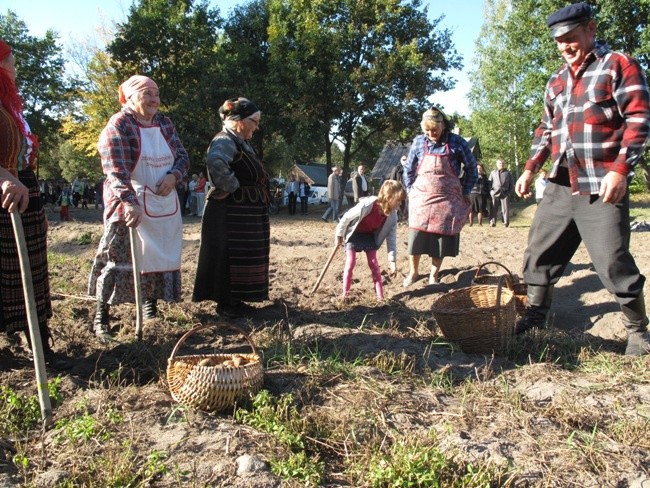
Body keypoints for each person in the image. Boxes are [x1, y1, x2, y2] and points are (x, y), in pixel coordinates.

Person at [514, 2, 650, 356]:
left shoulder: (619, 65)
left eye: (571, 38)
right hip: (560, 182)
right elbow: (545, 128)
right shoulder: (557, 80)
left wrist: (621, 170)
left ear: (590, 29)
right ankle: (535, 316)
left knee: (611, 260)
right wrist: (530, 167)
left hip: (601, 181)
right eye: (559, 41)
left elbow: (638, 119)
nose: (565, 46)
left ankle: (638, 332)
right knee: (538, 253)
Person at [88, 75, 189, 342]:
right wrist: (130, 202)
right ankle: (101, 317)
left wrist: (173, 176)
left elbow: (182, 156)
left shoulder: (164, 123)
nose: (154, 99)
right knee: (117, 258)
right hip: (126, 204)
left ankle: (150, 308)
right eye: (147, 93)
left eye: (156, 93)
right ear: (130, 97)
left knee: (155, 256)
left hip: (161, 201)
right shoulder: (119, 125)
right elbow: (115, 170)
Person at [0, 39, 65, 366]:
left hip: (24, 191)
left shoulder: (10, 106)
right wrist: (2, 175)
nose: (15, 67)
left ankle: (38, 343)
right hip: (5, 192)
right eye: (10, 61)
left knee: (33, 270)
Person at [193, 97, 270, 317]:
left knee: (242, 254)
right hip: (229, 213)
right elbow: (216, 162)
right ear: (240, 120)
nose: (256, 127)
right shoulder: (224, 140)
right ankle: (226, 303)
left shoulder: (240, 141)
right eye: (254, 121)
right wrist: (233, 186)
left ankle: (235, 300)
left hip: (244, 211)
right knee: (229, 255)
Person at [402, 107, 477, 287]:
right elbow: (409, 169)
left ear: (443, 125)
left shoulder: (457, 142)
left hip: (447, 199)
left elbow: (472, 169)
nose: (431, 133)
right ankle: (413, 272)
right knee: (416, 236)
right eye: (427, 130)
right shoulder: (419, 142)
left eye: (434, 129)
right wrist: (410, 189)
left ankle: (433, 276)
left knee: (440, 238)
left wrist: (464, 191)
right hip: (420, 198)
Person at [334, 180, 406, 302]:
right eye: (398, 200)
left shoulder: (393, 216)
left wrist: (392, 261)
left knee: (373, 264)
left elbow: (391, 238)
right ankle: (345, 295)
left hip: (369, 236)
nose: (399, 204)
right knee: (350, 263)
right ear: (389, 197)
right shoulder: (368, 205)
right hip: (354, 234)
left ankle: (380, 297)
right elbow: (346, 217)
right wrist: (339, 235)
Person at [488, 159, 514, 227]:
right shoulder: (493, 172)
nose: (501, 164)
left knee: (505, 209)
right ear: (497, 164)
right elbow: (489, 183)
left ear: (504, 164)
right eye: (500, 163)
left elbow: (511, 184)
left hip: (505, 193)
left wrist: (509, 192)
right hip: (495, 193)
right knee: (493, 208)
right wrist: (491, 191)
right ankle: (492, 222)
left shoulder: (508, 173)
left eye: (502, 163)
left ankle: (505, 223)